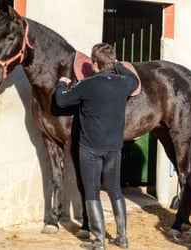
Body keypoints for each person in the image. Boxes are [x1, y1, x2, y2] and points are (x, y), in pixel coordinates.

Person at [55, 43, 139, 250]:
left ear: (94, 63)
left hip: (90, 149)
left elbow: (61, 101)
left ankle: (99, 241)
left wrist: (61, 83)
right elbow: (134, 80)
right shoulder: (123, 84)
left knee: (92, 192)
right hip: (114, 148)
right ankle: (123, 238)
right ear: (111, 62)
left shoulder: (87, 85)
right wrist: (117, 65)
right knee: (115, 192)